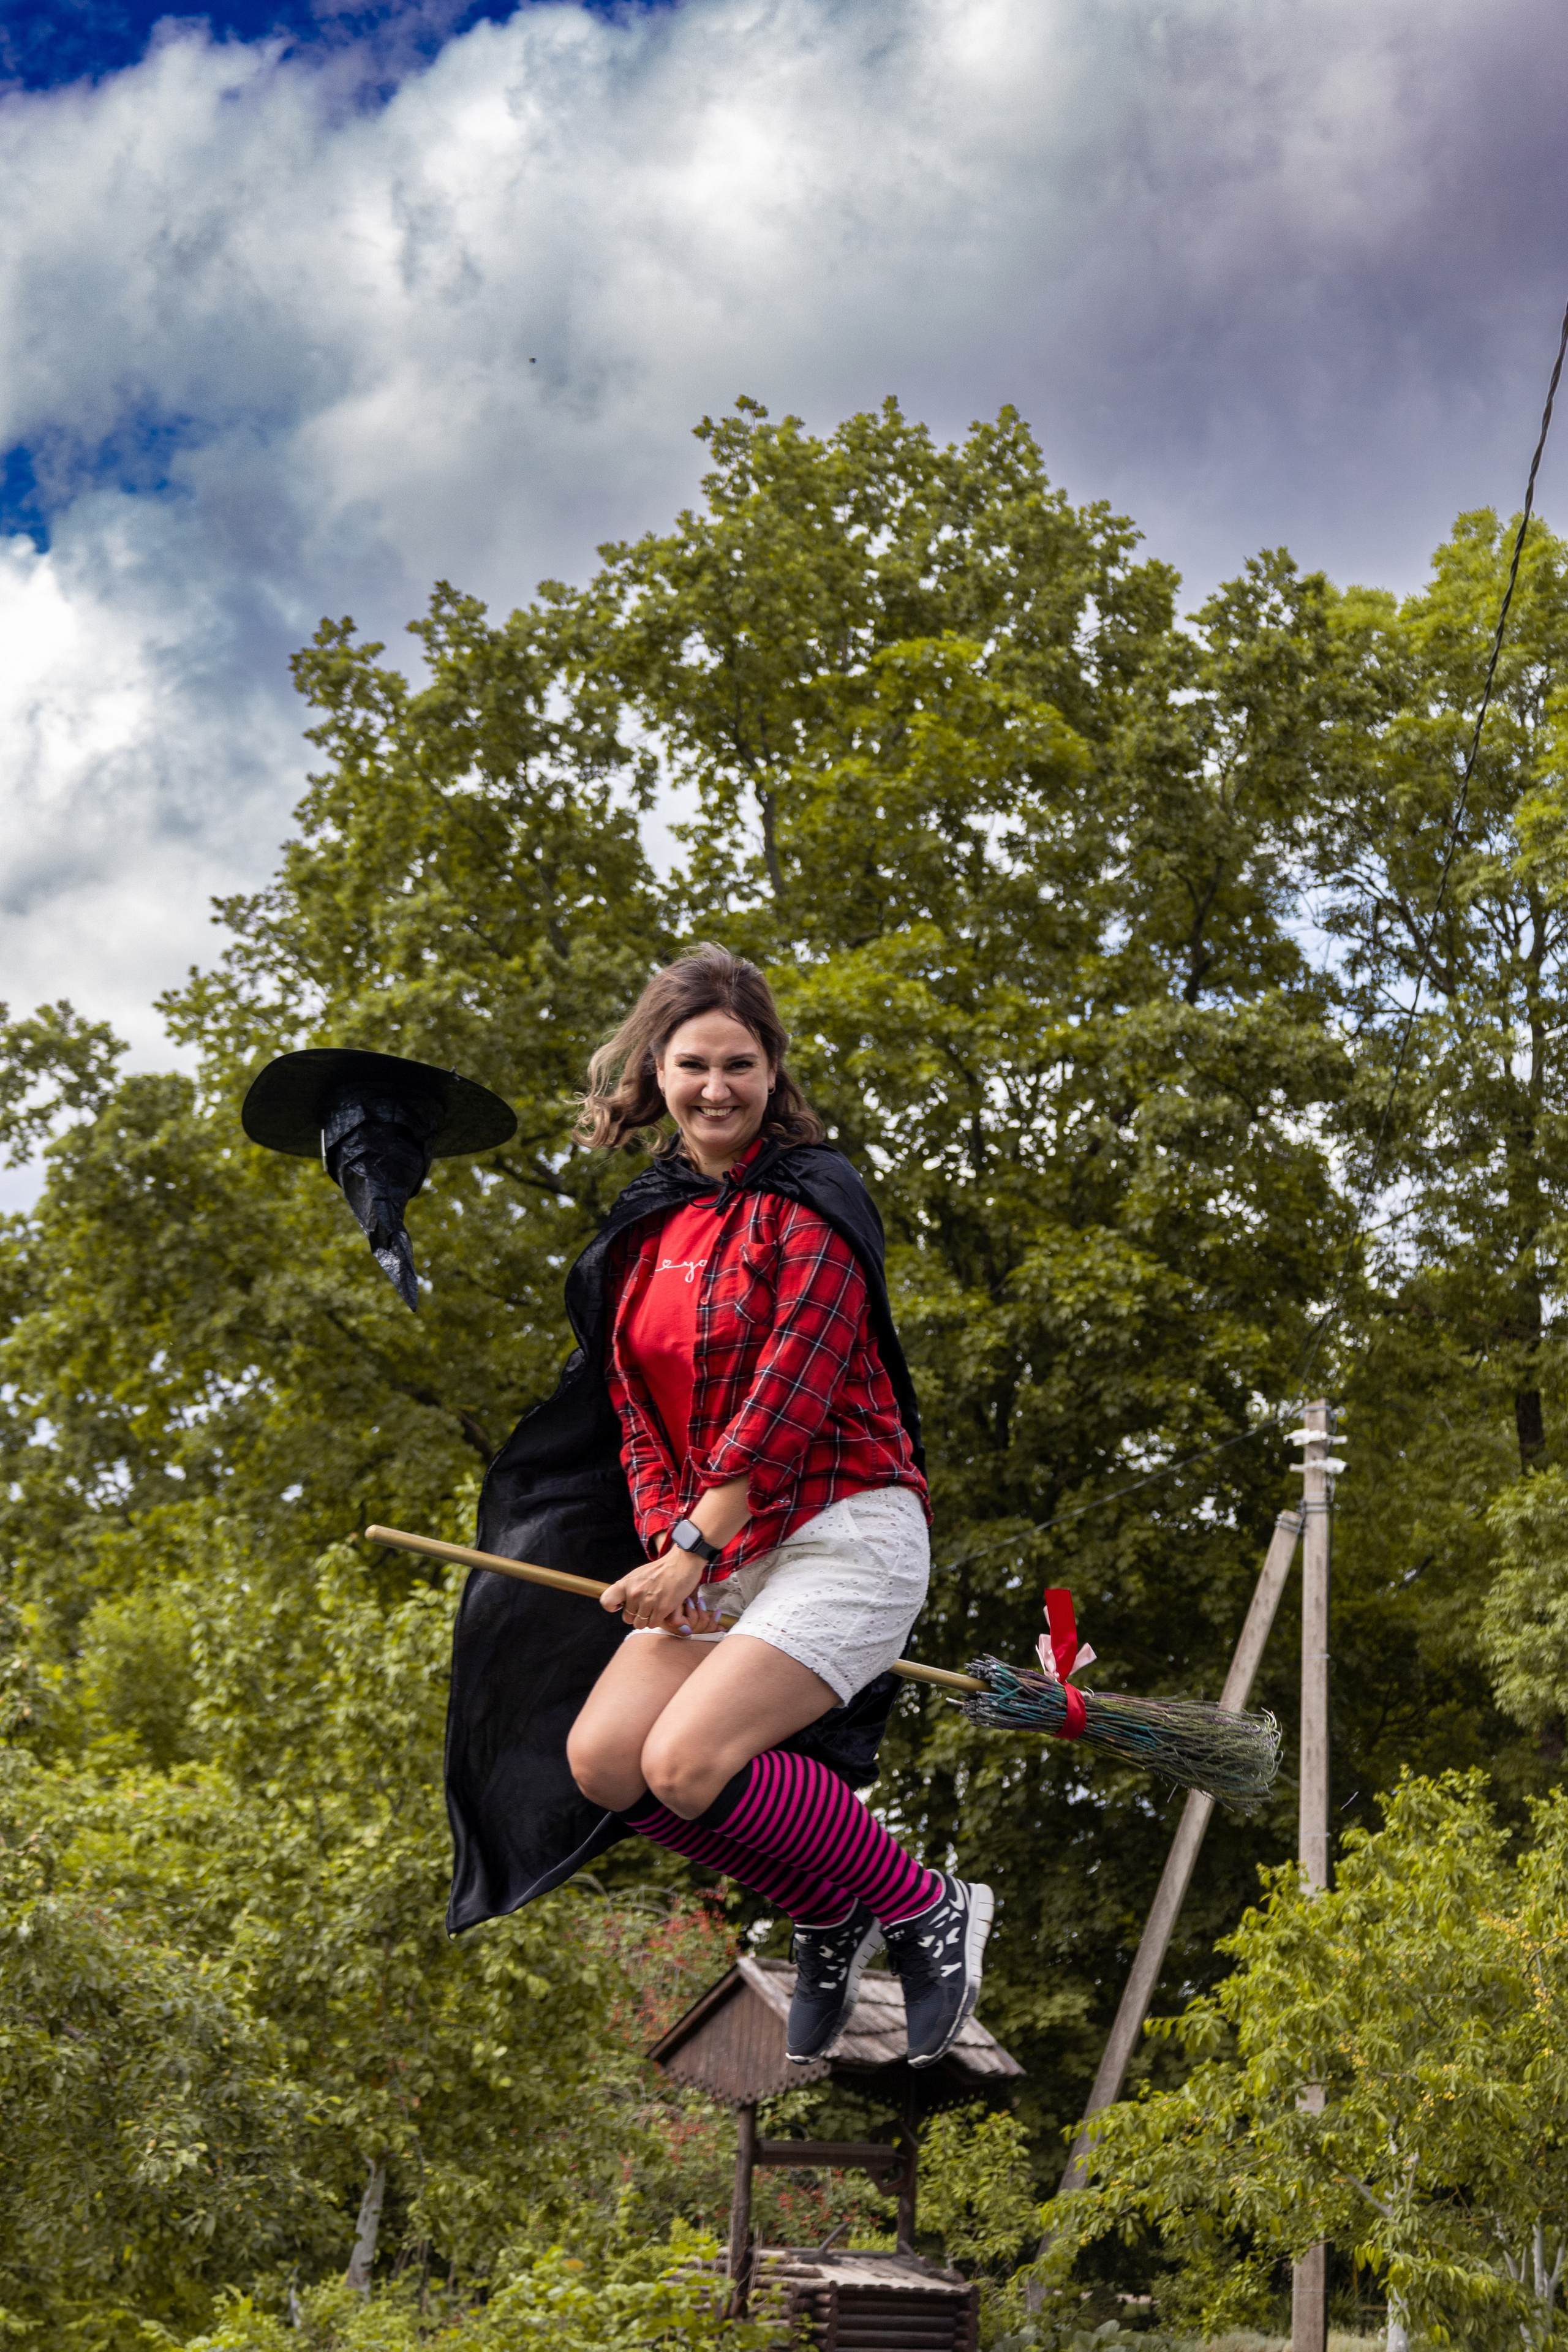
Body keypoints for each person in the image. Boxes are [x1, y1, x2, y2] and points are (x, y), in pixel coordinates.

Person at [560, 944, 992, 2068]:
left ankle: (927, 1903)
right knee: (606, 1761)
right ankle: (828, 1904)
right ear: (657, 1072)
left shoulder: (815, 1197)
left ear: (773, 1071)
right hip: (719, 1543)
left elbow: (790, 1389)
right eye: (693, 1064)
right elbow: (636, 1414)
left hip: (845, 1528)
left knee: (687, 1764)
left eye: (739, 1065)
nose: (716, 1088)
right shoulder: (648, 1226)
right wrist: (671, 1538)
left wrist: (695, 1547)